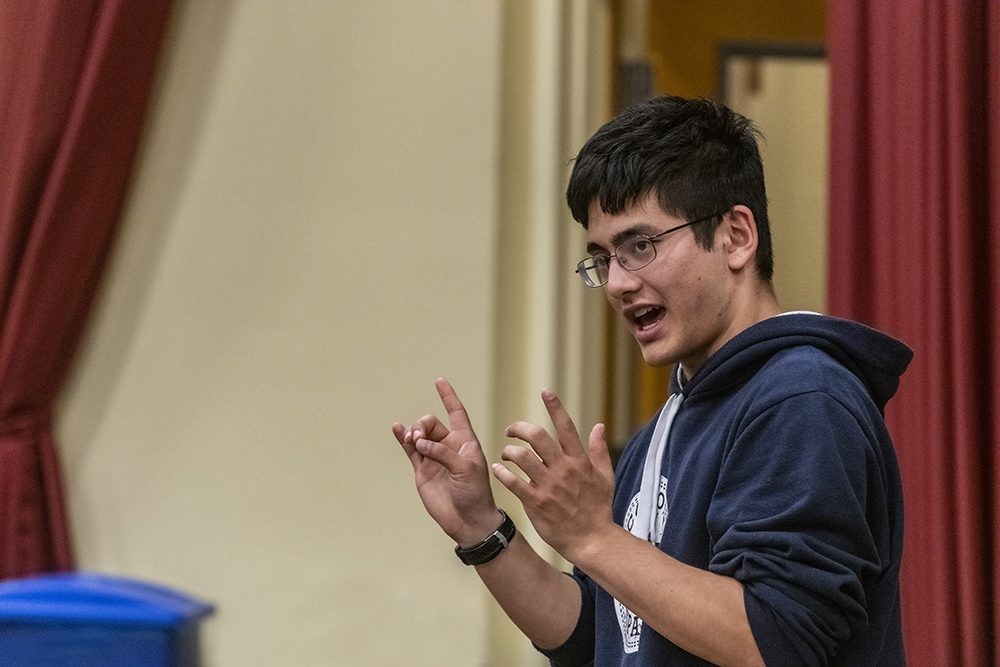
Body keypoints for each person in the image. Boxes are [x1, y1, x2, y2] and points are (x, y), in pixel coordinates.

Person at [391, 95, 911, 665]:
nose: (616, 283)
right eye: (602, 258)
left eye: (641, 246)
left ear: (737, 236)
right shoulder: (663, 430)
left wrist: (594, 538)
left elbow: (778, 639)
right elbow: (602, 634)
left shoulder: (802, 398)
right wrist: (481, 529)